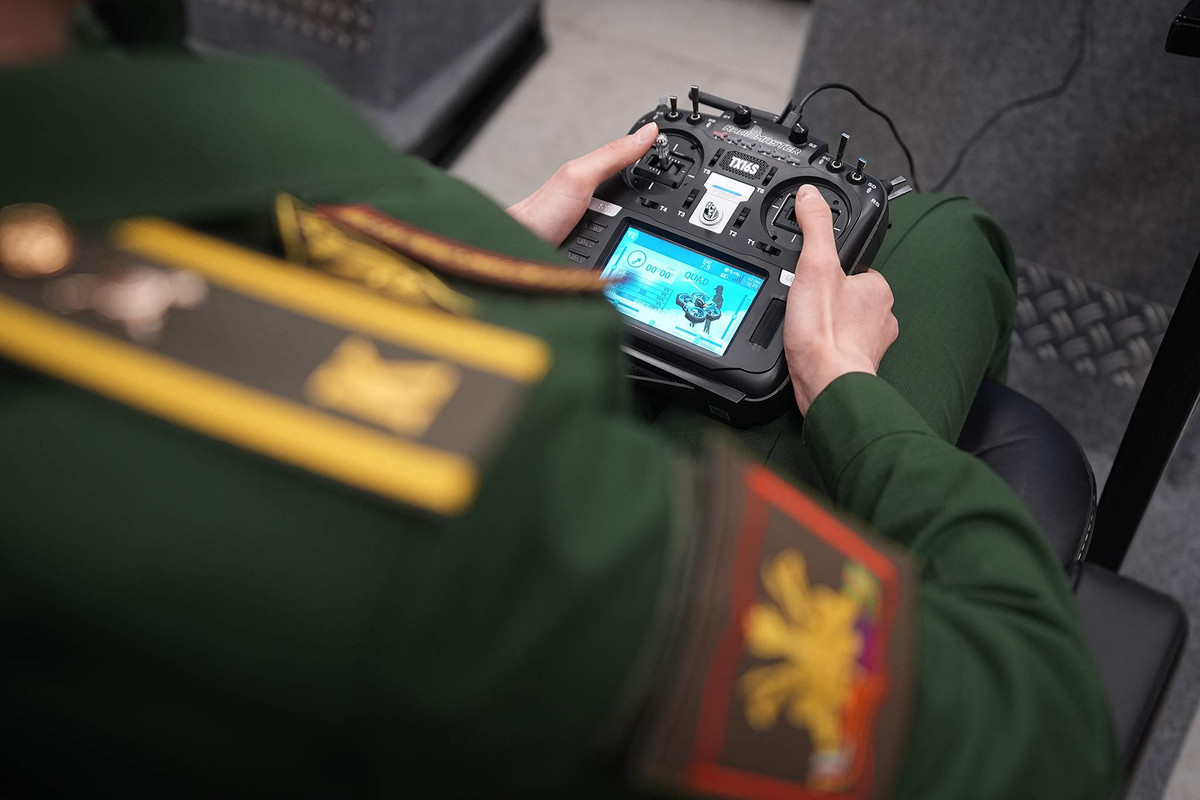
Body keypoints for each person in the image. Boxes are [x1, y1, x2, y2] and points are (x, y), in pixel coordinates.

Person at [0, 2, 1119, 799]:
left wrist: (446, 268)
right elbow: (1041, 732)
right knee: (937, 236)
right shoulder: (429, 515)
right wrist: (856, 397)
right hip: (533, 630)